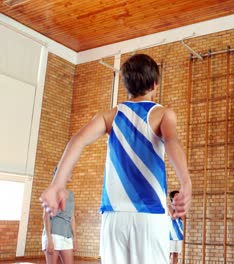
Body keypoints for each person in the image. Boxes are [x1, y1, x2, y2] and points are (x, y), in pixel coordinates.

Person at [39, 54, 192, 264]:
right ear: (155, 84)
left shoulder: (110, 116)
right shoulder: (163, 114)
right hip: (149, 214)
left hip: (113, 216)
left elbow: (77, 140)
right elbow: (172, 142)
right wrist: (185, 182)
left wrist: (57, 184)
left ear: (126, 86)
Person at [42, 168, 77, 264]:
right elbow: (46, 217)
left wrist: (75, 238)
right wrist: (49, 239)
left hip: (67, 236)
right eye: (69, 171)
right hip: (54, 235)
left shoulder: (71, 194)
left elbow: (72, 217)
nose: (71, 173)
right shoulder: (51, 192)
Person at [169, 190, 184, 264]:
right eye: (176, 195)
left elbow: (183, 218)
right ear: (172, 197)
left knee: (176, 254)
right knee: (169, 253)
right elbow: (173, 217)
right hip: (170, 234)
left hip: (179, 234)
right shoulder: (169, 206)